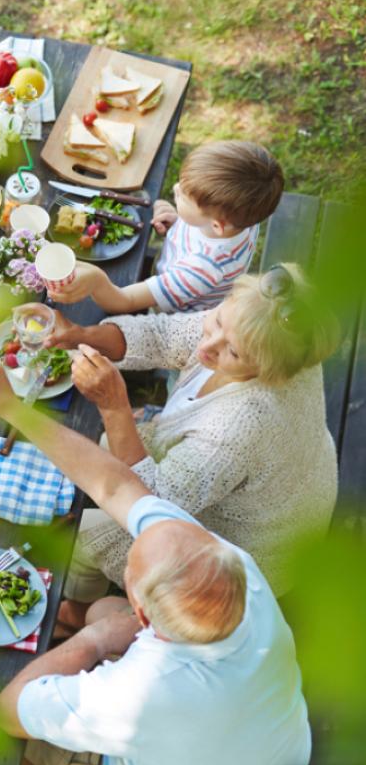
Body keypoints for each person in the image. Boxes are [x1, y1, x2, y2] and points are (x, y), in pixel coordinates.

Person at [0, 349, 312, 765]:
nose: (150, 525)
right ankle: (77, 623)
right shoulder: (234, 567)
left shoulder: (137, 694)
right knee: (99, 609)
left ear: (142, 613)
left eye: (131, 571)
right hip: (274, 762)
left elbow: (11, 707)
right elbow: (117, 487)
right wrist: (10, 406)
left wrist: (98, 639)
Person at [42, 264, 339, 623]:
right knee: (104, 453)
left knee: (89, 534)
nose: (206, 346)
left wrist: (114, 406)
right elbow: (166, 336)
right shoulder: (271, 334)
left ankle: (76, 610)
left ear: (268, 369)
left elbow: (152, 505)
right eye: (217, 323)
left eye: (232, 352)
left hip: (250, 551)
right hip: (284, 484)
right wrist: (81, 334)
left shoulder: (242, 425)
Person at [51, 141, 284, 314]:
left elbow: (125, 301)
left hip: (177, 309)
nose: (174, 189)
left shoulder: (201, 270)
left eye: (182, 197)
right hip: (177, 270)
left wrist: (97, 280)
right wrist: (178, 219)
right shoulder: (242, 217)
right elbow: (204, 226)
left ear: (216, 225)